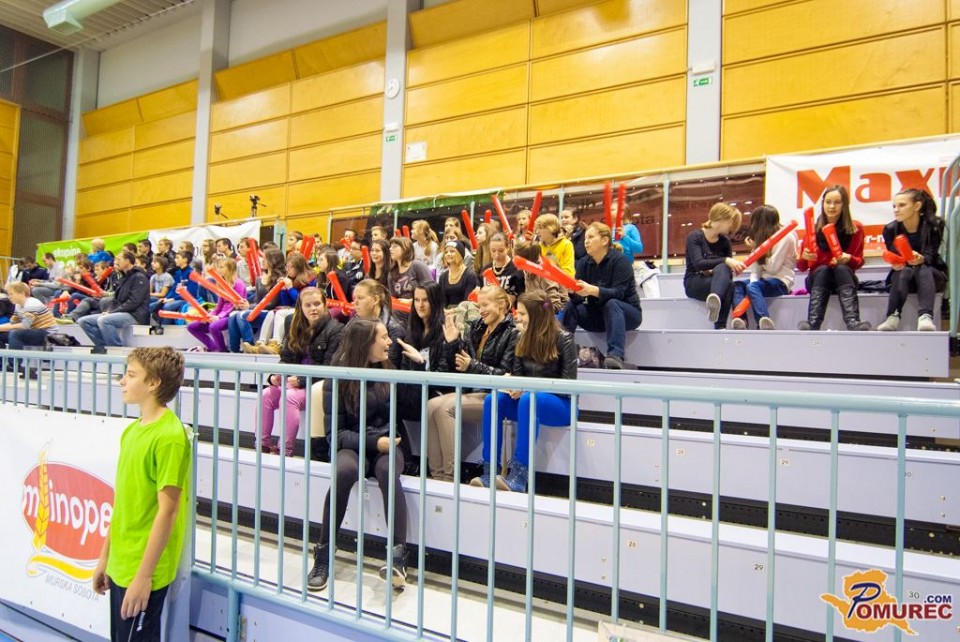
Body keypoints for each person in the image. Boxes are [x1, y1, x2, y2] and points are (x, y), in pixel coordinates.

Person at [92, 348, 191, 642]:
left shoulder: (170, 437)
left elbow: (167, 512)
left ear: (153, 383)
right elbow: (123, 503)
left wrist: (144, 576)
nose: (123, 381)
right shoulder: (132, 431)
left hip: (144, 568)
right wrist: (105, 559)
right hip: (121, 563)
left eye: (131, 375)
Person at [307, 319, 408, 591]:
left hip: (387, 443)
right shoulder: (338, 378)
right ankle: (323, 554)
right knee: (344, 471)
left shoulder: (389, 371)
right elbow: (336, 434)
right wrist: (375, 442)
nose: (389, 342)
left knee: (387, 472)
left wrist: (419, 367)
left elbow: (406, 410)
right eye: (383, 337)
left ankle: (398, 557)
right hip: (355, 444)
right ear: (365, 343)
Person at [473, 291, 577, 491]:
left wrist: (527, 388)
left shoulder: (564, 339)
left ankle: (519, 476)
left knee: (529, 399)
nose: (517, 318)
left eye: (522, 314)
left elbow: (567, 385)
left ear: (536, 315)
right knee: (493, 400)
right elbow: (518, 376)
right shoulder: (520, 337)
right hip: (528, 401)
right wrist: (513, 386)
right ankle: (489, 471)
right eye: (517, 313)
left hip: (562, 405)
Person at [426, 285, 517, 481]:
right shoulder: (476, 327)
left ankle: (450, 477)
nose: (481, 310)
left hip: (494, 395)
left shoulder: (513, 332)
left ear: (502, 305)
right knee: (430, 405)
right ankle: (437, 475)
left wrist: (472, 365)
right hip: (472, 390)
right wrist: (452, 343)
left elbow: (505, 374)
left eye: (485, 305)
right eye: (479, 305)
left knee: (445, 409)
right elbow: (459, 365)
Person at [259, 288, 342, 456]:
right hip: (293, 382)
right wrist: (275, 376)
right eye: (308, 305)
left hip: (317, 385)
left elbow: (329, 367)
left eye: (317, 304)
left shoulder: (336, 329)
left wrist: (302, 380)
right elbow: (285, 358)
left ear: (325, 305)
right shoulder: (293, 324)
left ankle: (285, 450)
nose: (313, 309)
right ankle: (262, 446)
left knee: (289, 397)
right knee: (266, 394)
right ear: (301, 307)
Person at [562, 223, 642, 369]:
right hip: (598, 315)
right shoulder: (583, 263)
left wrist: (593, 290)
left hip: (627, 314)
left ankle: (615, 355)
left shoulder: (621, 261)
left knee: (612, 304)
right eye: (585, 238)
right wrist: (573, 292)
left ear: (604, 240)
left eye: (591, 237)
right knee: (571, 306)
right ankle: (562, 352)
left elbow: (619, 293)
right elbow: (580, 298)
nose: (586, 241)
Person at [797, 185, 871, 331]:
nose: (832, 206)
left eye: (837, 202)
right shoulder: (813, 230)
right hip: (818, 280)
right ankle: (813, 323)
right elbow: (802, 267)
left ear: (844, 205)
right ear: (823, 204)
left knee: (841, 268)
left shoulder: (855, 228)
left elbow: (859, 262)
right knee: (823, 270)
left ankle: (853, 322)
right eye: (828, 202)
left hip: (843, 280)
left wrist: (848, 258)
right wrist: (804, 258)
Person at [877, 188, 946, 332]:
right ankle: (893, 317)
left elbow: (930, 255)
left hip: (931, 276)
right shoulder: (890, 229)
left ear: (917, 206)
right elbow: (894, 255)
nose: (896, 210)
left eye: (902, 205)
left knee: (922, 268)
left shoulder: (934, 225)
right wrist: (896, 263)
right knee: (905, 271)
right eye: (894, 206)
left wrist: (921, 258)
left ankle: (925, 316)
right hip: (905, 277)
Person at [731, 205, 798, 330]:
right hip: (763, 281)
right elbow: (756, 271)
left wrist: (757, 249)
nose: (752, 227)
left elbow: (773, 268)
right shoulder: (763, 238)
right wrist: (753, 284)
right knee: (737, 285)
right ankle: (741, 320)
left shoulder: (786, 237)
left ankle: (763, 321)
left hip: (781, 281)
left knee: (752, 286)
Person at [683, 203, 744, 330]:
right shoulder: (695, 237)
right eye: (732, 223)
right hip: (695, 281)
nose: (732, 228)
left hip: (716, 282)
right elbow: (698, 264)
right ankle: (720, 322)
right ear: (722, 219)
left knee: (727, 278)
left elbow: (727, 274)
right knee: (723, 266)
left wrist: (719, 268)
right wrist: (725, 260)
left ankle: (715, 302)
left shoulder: (725, 242)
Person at [79, 251, 150, 352]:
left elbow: (133, 302)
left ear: (127, 261)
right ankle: (103, 347)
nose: (115, 262)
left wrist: (112, 312)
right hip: (121, 312)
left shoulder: (139, 277)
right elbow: (115, 300)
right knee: (83, 321)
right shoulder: (123, 277)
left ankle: (116, 350)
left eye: (118, 259)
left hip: (135, 315)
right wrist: (109, 311)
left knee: (104, 320)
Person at [186, 258, 246, 352]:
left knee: (213, 326)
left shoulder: (238, 284)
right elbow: (219, 305)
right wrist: (209, 316)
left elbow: (235, 306)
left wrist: (219, 317)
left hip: (232, 315)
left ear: (230, 269)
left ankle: (222, 351)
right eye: (218, 267)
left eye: (221, 267)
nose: (218, 270)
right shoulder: (222, 283)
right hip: (220, 315)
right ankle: (214, 347)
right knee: (192, 327)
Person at [234, 248, 286, 353]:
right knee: (234, 316)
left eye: (265, 259)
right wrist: (246, 305)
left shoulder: (280, 279)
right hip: (259, 309)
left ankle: (250, 344)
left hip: (271, 311)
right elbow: (257, 300)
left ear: (273, 260)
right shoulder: (259, 279)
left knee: (242, 316)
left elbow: (272, 303)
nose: (262, 261)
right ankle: (234, 349)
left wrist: (249, 307)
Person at [388, 237, 432, 324]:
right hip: (400, 310)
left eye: (395, 246)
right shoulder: (391, 274)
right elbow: (393, 298)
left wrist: (410, 301)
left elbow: (431, 289)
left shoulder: (417, 265)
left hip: (420, 307)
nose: (390, 249)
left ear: (405, 249)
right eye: (390, 246)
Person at [0, 282, 55, 352]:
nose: (9, 297)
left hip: (47, 334)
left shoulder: (31, 304)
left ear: (22, 293)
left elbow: (25, 326)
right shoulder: (18, 305)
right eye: (8, 294)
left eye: (11, 294)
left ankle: (15, 359)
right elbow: (13, 323)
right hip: (32, 331)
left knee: (15, 333)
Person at [154, 251, 198, 327]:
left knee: (167, 306)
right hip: (176, 298)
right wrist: (167, 298)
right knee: (153, 304)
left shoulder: (191, 273)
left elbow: (191, 293)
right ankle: (155, 325)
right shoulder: (178, 273)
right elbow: (173, 288)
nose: (175, 260)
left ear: (185, 260)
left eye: (177, 258)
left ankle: (165, 328)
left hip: (186, 299)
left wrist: (173, 299)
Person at [484, 233, 524, 302]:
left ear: (507, 248)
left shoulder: (516, 269)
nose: (497, 255)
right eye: (493, 251)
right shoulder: (485, 269)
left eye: (501, 251)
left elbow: (521, 296)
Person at [438, 240, 478, 308]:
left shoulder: (470, 275)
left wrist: (453, 311)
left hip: (464, 311)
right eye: (446, 252)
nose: (448, 254)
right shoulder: (443, 276)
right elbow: (442, 301)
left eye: (452, 251)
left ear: (460, 254)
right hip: (446, 311)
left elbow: (467, 302)